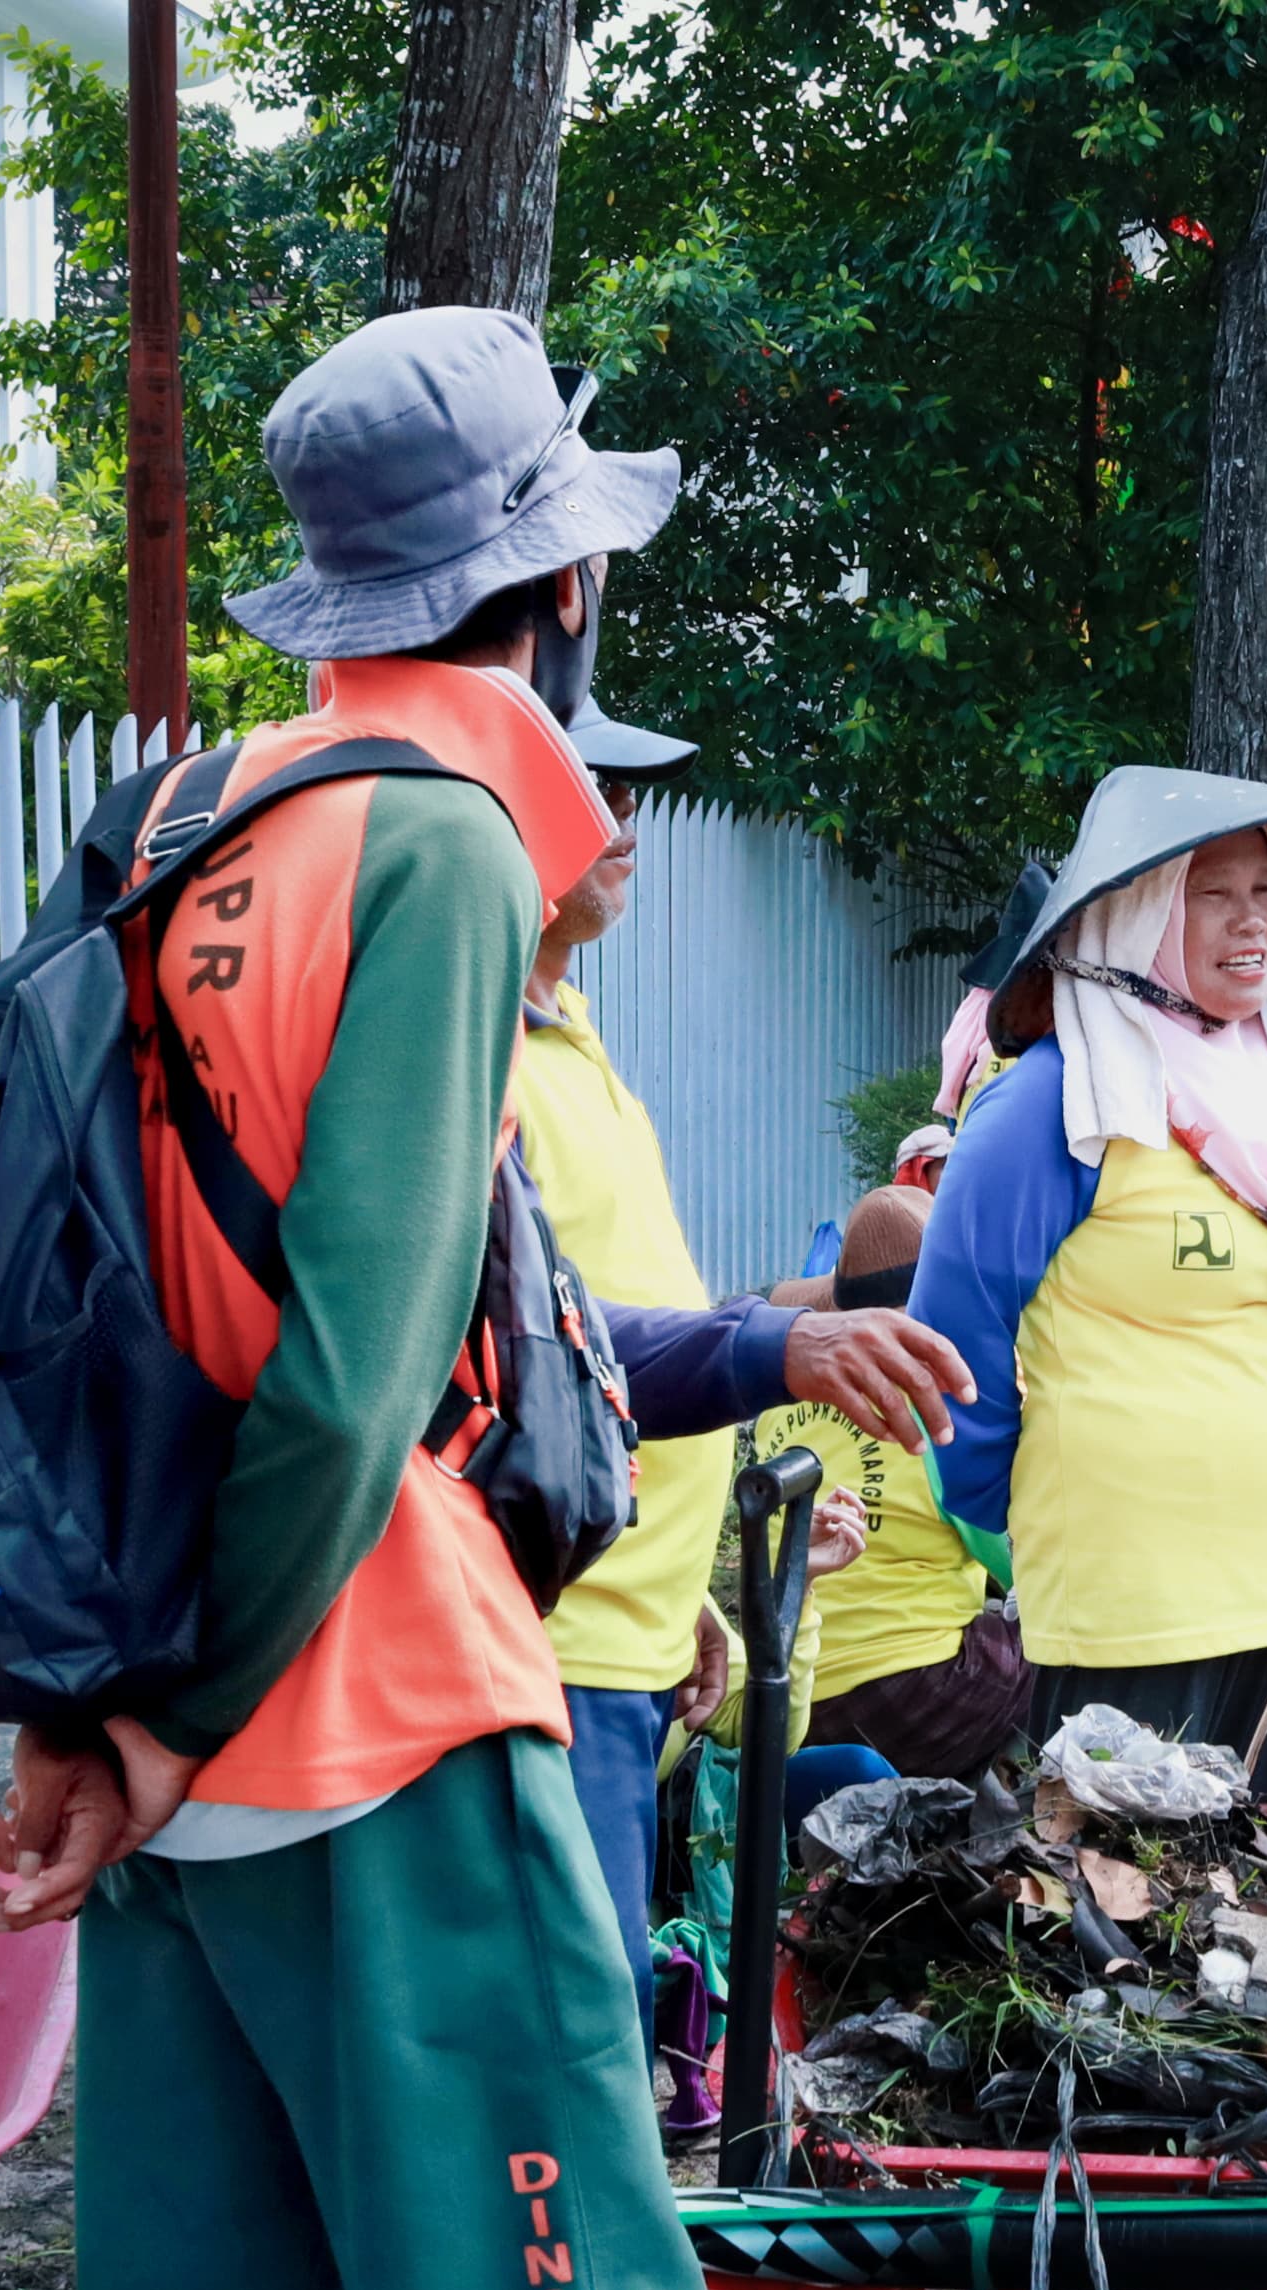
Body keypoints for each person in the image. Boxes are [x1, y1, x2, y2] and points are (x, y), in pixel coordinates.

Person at [0, 308, 802, 2290]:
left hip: (158, 1693)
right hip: (365, 1700)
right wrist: (175, 1715)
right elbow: (354, 1368)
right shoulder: (434, 840)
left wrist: (104, 1715)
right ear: (562, 584)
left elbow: (89, 1295)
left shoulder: (177, 824)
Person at [508, 699, 975, 2043]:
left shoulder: (569, 1026)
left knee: (593, 2036)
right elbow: (534, 1340)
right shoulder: (478, 1050)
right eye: (586, 789)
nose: (623, 822)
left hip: (640, 1636)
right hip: (554, 1647)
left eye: (625, 793)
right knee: (573, 2056)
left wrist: (689, 1602)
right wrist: (782, 1343)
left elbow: (631, 1316)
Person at [911, 767, 1267, 1798]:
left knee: (1248, 1878)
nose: (1252, 919)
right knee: (1119, 1889)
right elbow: (953, 1336)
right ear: (1135, 914)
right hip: (1125, 1592)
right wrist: (1013, 1512)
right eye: (1212, 893)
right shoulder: (1052, 1098)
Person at [763, 1188, 1043, 1783]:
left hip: (786, 1695)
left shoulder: (780, 1399)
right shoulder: (946, 1408)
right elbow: (1017, 1560)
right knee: (1053, 1639)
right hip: (913, 1699)